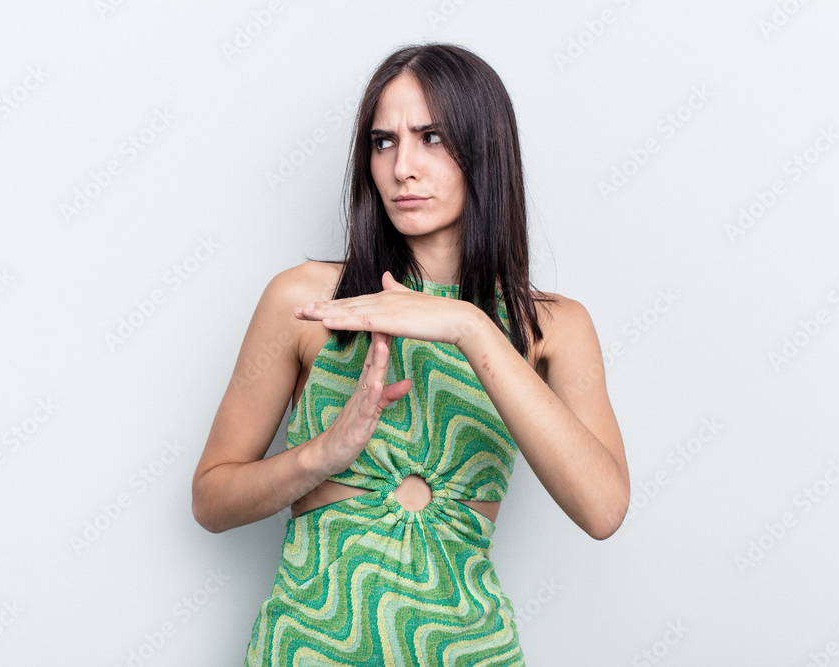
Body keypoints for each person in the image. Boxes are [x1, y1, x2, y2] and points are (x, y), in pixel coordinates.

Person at [192, 42, 630, 666]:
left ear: (486, 150)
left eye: (432, 137)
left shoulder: (553, 326)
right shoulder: (310, 301)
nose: (402, 168)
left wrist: (469, 325)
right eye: (384, 141)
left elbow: (603, 509)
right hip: (309, 648)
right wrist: (324, 454)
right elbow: (211, 501)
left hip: (470, 650)